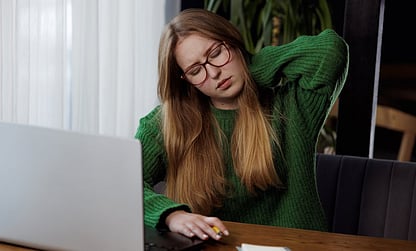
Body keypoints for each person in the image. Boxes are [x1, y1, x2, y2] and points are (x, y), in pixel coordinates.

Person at [135, 8, 349, 241]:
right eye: (196, 70)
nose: (215, 73)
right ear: (186, 82)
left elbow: (331, 52)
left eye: (216, 53)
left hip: (298, 246)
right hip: (216, 246)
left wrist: (249, 66)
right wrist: (172, 216)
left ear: (232, 40)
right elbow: (123, 185)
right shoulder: (167, 124)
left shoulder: (292, 105)